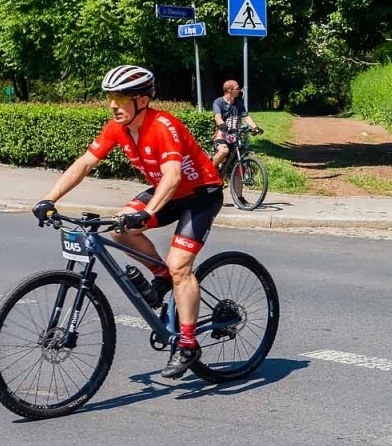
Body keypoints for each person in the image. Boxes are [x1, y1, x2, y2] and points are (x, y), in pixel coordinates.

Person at [32, 65, 225, 379]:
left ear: (142, 100)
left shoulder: (163, 124)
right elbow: (85, 163)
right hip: (167, 191)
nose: (112, 105)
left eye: (120, 98)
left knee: (180, 265)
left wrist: (147, 214)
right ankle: (160, 277)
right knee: (120, 228)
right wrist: (49, 199)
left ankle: (188, 343)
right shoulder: (116, 128)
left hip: (200, 193)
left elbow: (174, 176)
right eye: (110, 97)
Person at [209, 80, 262, 172]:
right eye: (237, 88)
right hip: (222, 134)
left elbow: (246, 117)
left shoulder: (239, 103)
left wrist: (255, 127)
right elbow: (217, 116)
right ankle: (210, 171)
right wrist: (222, 124)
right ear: (230, 90)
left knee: (238, 161)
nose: (240, 90)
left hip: (235, 135)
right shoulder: (218, 102)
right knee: (223, 151)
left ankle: (236, 181)